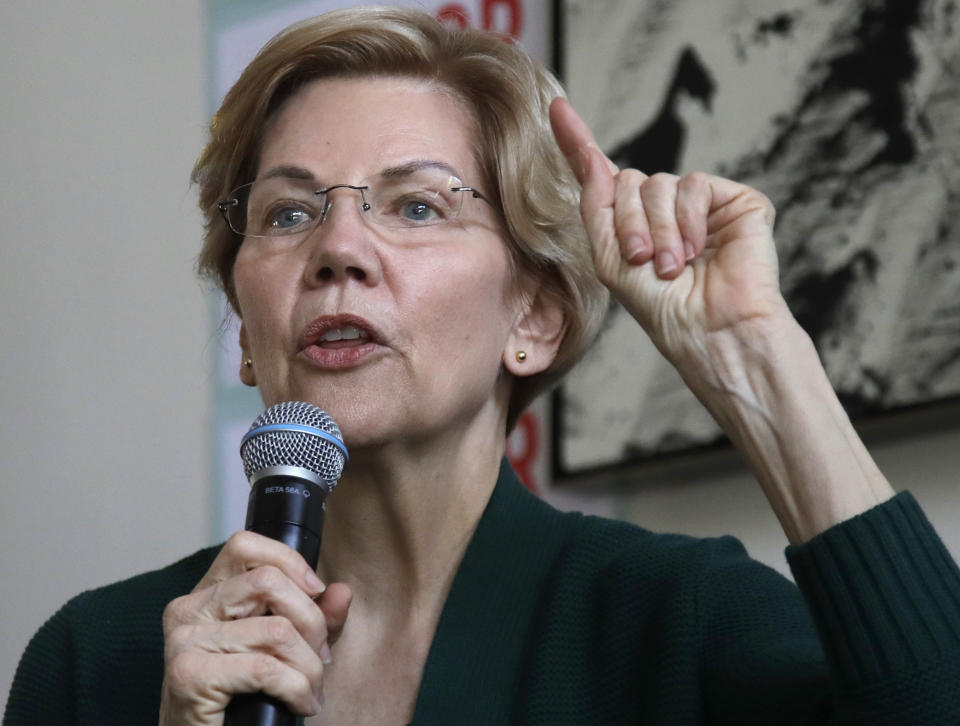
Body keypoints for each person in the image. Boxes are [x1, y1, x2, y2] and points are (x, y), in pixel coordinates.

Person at [6, 6, 960, 725]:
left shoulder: (677, 619)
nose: (339, 246)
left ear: (535, 318)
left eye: (418, 206)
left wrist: (753, 351)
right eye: (289, 213)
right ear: (248, 335)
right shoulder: (98, 663)